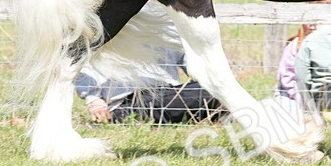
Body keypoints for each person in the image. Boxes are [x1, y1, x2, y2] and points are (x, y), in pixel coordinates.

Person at [74, 48, 222, 124]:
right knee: (213, 94)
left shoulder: (164, 19)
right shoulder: (112, 17)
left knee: (214, 89)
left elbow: (188, 60)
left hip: (168, 94)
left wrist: (209, 78)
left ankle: (222, 111)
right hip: (128, 102)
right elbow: (81, 62)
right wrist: (93, 99)